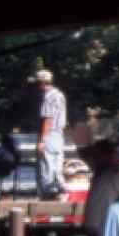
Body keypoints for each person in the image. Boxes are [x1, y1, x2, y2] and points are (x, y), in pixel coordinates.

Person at [81, 138, 119, 236]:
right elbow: (82, 153)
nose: (95, 160)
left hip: (104, 227)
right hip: (93, 226)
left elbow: (116, 160)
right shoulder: (100, 172)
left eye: (98, 156)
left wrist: (109, 149)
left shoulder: (117, 171)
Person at [30, 69, 67, 201]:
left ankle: (46, 202)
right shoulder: (60, 94)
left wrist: (41, 141)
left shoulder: (49, 96)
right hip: (59, 136)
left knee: (46, 169)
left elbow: (48, 119)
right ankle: (60, 197)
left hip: (50, 136)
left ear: (41, 83)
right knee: (57, 169)